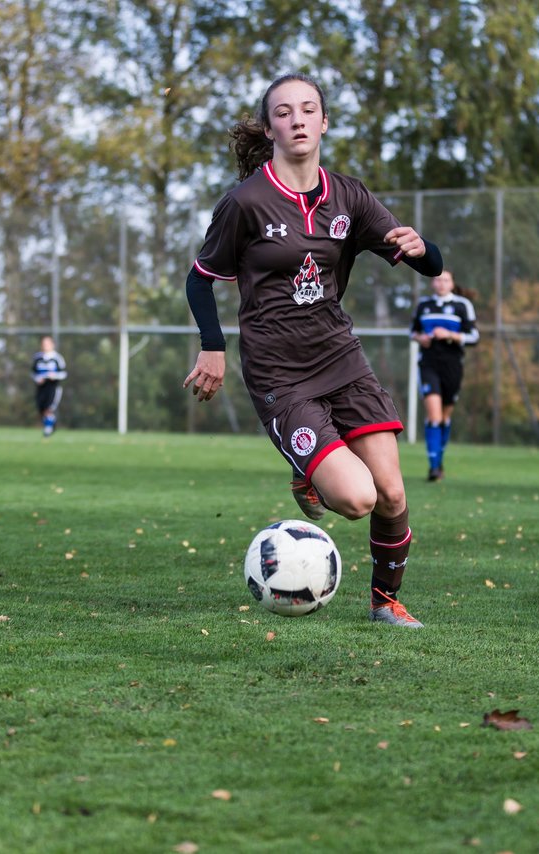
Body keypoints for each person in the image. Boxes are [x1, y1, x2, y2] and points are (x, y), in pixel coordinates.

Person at [182, 72, 443, 628]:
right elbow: (200, 279)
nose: (297, 120)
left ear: (324, 122)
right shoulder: (245, 203)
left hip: (341, 359)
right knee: (357, 498)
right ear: (271, 127)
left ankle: (384, 603)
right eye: (283, 112)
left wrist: (424, 249)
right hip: (281, 374)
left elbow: (425, 259)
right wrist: (212, 348)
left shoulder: (347, 196)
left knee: (392, 493)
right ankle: (308, 468)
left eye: (307, 110)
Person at [410, 270, 479, 481]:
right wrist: (420, 337)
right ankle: (433, 467)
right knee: (434, 416)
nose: (441, 283)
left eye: (445, 280)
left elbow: (474, 336)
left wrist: (450, 335)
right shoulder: (423, 305)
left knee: (445, 418)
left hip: (453, 367)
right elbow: (412, 332)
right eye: (437, 279)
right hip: (428, 365)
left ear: (452, 283)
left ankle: (439, 461)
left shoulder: (462, 305)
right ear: (432, 283)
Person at [31, 335, 67, 436]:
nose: (45, 345)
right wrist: (37, 378)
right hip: (41, 387)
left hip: (52, 387)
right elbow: (33, 373)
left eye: (47, 343)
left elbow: (64, 373)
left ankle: (48, 429)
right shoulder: (38, 357)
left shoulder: (57, 358)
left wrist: (54, 376)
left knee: (49, 408)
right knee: (41, 409)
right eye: (43, 343)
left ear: (52, 345)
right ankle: (52, 423)